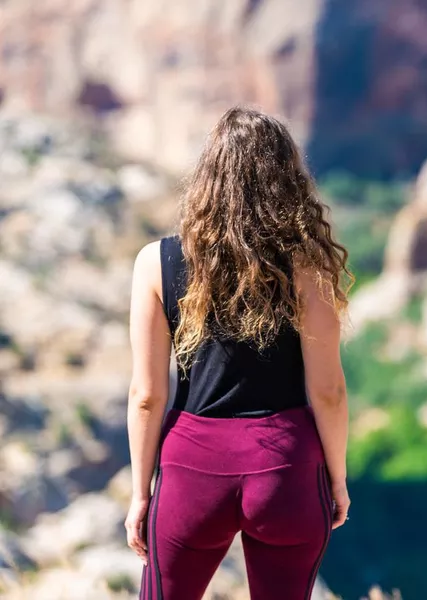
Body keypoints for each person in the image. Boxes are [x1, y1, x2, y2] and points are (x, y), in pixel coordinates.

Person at [124, 107, 351, 600]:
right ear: (286, 179)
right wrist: (337, 479)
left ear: (208, 175)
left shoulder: (154, 263)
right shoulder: (308, 268)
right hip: (286, 470)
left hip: (190, 472)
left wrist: (141, 493)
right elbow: (328, 391)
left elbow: (146, 395)